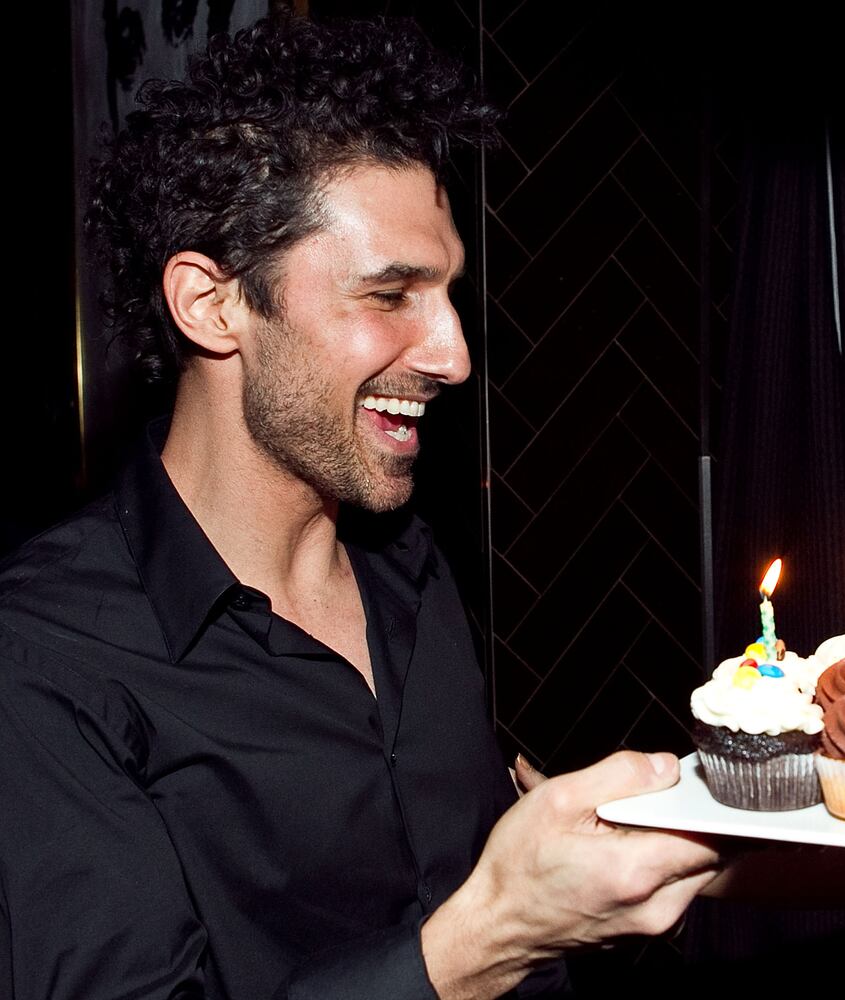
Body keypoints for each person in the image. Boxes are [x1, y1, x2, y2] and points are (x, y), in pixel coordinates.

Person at [0, 17, 718, 1000]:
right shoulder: (45, 658)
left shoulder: (408, 561)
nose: (453, 355)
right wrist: (489, 936)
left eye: (448, 293)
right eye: (390, 295)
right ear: (212, 305)